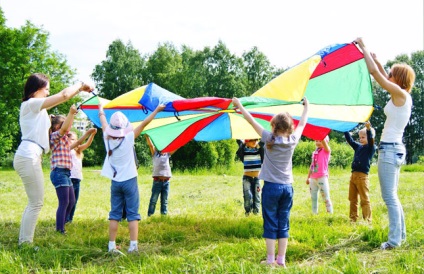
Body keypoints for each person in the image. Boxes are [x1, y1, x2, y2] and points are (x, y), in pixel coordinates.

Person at [13, 73, 93, 246]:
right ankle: (25, 243)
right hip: (29, 154)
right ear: (36, 89)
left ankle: (24, 241)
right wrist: (80, 85)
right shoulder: (31, 104)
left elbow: (58, 115)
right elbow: (64, 96)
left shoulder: (36, 109)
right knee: (36, 202)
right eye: (47, 89)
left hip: (30, 155)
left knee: (35, 202)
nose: (49, 93)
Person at [232, 96, 309, 267]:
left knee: (270, 222)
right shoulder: (293, 140)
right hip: (287, 188)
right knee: (283, 222)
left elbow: (251, 121)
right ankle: (281, 260)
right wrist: (306, 107)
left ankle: (269, 260)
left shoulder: (269, 138)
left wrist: (239, 105)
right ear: (289, 128)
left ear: (274, 126)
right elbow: (303, 123)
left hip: (272, 188)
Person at [355, 38, 416, 250]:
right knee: (394, 195)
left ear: (397, 79)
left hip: (389, 150)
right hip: (395, 149)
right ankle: (402, 236)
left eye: (391, 73)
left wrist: (363, 47)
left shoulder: (399, 95)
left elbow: (377, 76)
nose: (387, 75)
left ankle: (393, 241)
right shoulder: (401, 96)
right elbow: (381, 73)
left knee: (389, 197)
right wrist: (377, 60)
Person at [98, 103, 165, 254]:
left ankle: (111, 246)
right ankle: (133, 246)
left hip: (115, 182)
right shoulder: (128, 138)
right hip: (130, 181)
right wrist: (157, 109)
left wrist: (101, 109)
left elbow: (102, 120)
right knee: (133, 214)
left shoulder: (106, 137)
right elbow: (145, 123)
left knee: (114, 214)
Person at [49, 105, 81, 234]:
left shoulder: (64, 140)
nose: (69, 129)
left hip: (66, 174)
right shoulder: (55, 137)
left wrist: (72, 115)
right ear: (57, 127)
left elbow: (67, 127)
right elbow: (64, 128)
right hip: (58, 172)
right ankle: (59, 229)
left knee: (71, 201)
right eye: (64, 125)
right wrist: (70, 113)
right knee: (64, 202)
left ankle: (63, 223)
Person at [344, 121, 376, 223]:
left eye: (363, 137)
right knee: (352, 199)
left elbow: (371, 140)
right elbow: (350, 140)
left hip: (362, 177)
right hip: (353, 176)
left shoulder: (371, 148)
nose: (361, 139)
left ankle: (367, 220)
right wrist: (345, 129)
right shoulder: (358, 147)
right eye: (360, 137)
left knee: (364, 199)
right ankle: (353, 219)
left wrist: (368, 129)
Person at [66, 128, 98, 223]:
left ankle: (70, 219)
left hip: (77, 179)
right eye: (72, 139)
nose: (75, 141)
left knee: (74, 201)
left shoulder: (78, 150)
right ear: (66, 139)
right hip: (70, 178)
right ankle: (66, 218)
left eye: (76, 139)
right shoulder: (67, 149)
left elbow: (87, 144)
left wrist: (92, 135)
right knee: (69, 201)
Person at [145, 135, 178, 217]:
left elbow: (177, 146)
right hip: (157, 182)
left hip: (166, 182)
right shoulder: (155, 153)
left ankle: (163, 215)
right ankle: (150, 214)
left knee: (164, 201)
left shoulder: (167, 153)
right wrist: (147, 135)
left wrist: (183, 139)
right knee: (153, 200)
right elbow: (150, 145)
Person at [236, 139, 264, 216]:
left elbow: (264, 140)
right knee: (247, 195)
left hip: (257, 178)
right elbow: (239, 140)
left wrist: (260, 143)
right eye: (252, 140)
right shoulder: (244, 150)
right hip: (247, 178)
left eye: (256, 140)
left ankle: (256, 212)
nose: (254, 142)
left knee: (257, 195)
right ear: (247, 142)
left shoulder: (259, 150)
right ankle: (248, 212)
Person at [306, 136, 333, 214]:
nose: (318, 142)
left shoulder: (326, 151)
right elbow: (312, 165)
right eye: (316, 141)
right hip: (313, 178)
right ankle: (314, 213)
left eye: (320, 141)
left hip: (322, 177)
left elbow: (324, 143)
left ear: (325, 142)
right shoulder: (315, 152)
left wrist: (321, 134)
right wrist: (308, 177)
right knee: (313, 197)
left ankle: (330, 213)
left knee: (326, 197)